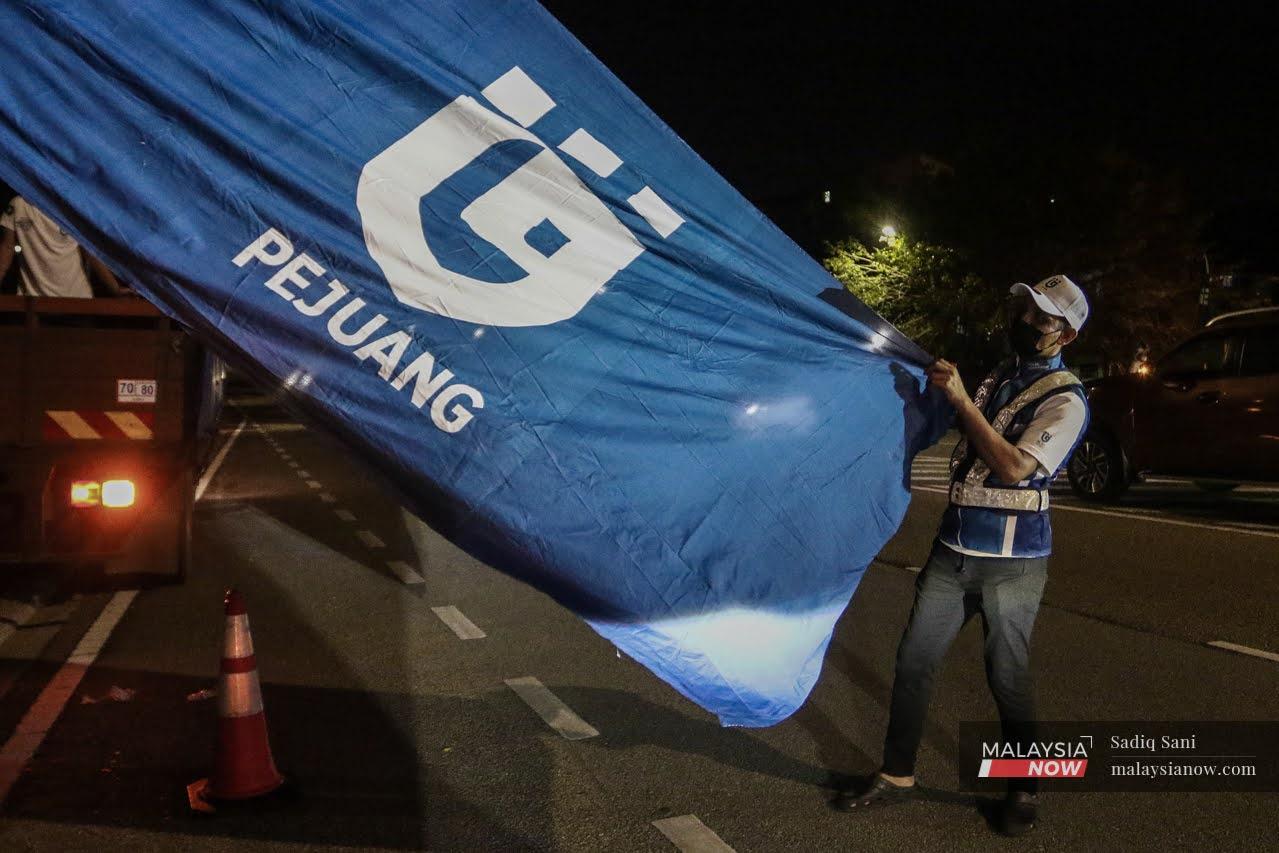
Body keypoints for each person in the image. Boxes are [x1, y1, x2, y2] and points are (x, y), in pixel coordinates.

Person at [834, 274, 1091, 837]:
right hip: (952, 550)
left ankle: (1025, 788)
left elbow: (1014, 467)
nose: (1025, 322)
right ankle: (897, 774)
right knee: (913, 662)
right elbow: (951, 421)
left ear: (1066, 335)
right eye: (1023, 308)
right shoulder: (999, 376)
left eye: (1042, 318)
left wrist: (959, 399)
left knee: (1008, 675)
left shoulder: (1067, 400)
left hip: (1012, 564)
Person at [0, 195, 125, 297]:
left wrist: (115, 289)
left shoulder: (71, 208)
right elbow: (6, 249)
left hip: (77, 300)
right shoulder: (18, 205)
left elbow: (90, 253)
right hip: (33, 301)